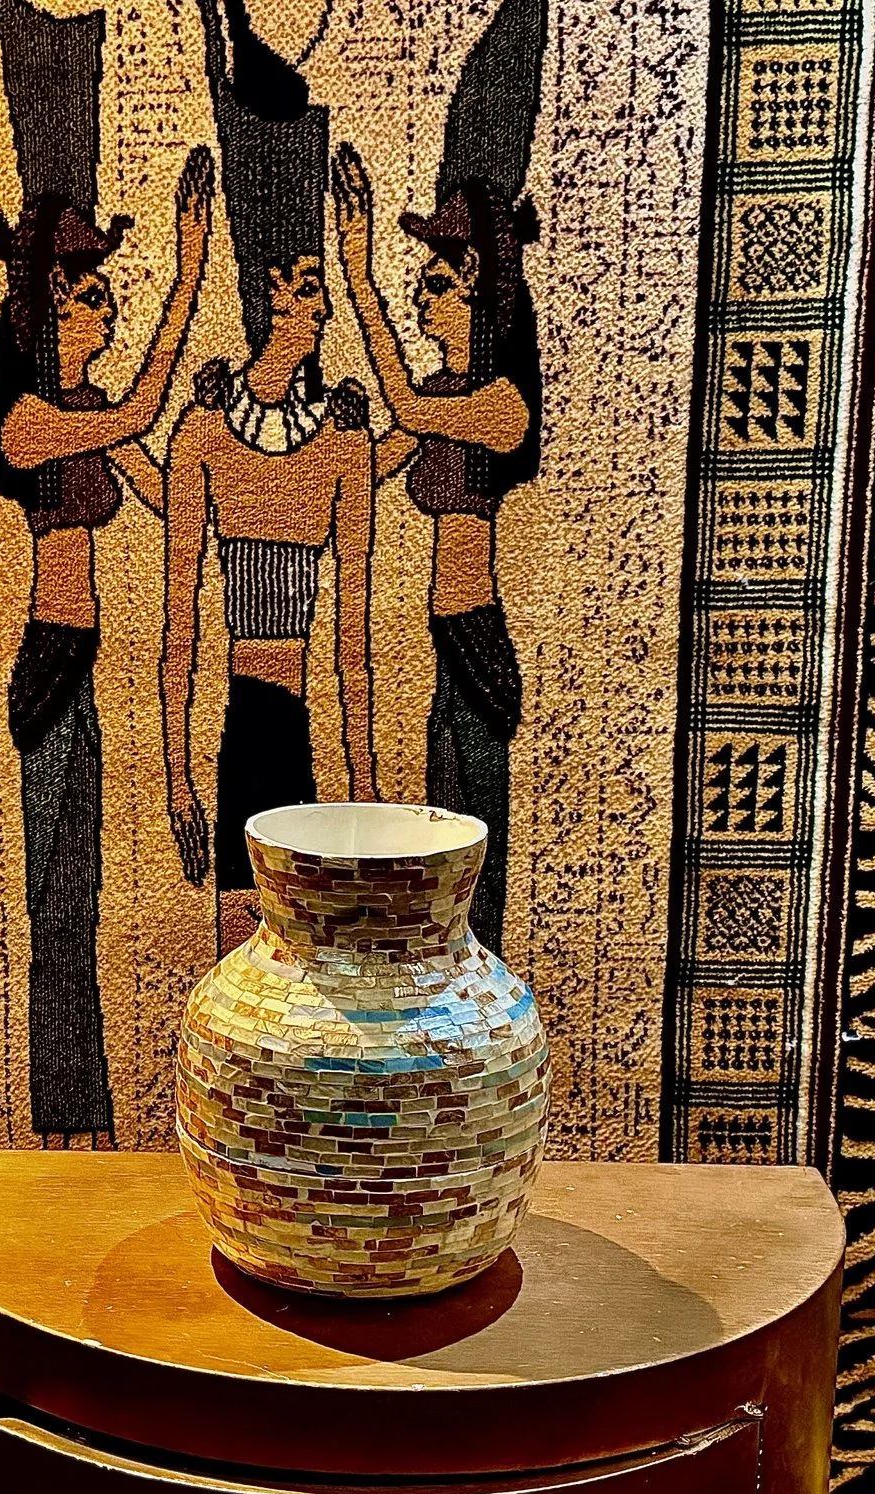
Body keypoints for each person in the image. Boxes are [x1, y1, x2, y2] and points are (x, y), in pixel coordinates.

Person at [0, 149, 213, 1144]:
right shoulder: (30, 422)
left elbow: (169, 488)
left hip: (79, 668)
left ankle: (80, 1110)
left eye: (110, 299)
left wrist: (230, 434)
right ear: (48, 312)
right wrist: (190, 275)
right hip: (45, 665)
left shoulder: (80, 417)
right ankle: (59, 1109)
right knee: (54, 900)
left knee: (79, 892)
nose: (108, 315)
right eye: (92, 299)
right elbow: (135, 414)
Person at [165, 0, 377, 954]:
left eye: (320, 285)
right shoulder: (205, 433)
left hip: (295, 727)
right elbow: (178, 628)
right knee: (244, 966)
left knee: (313, 966)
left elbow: (356, 647)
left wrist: (373, 798)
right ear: (263, 298)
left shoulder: (341, 441)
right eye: (301, 285)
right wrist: (173, 769)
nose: (316, 300)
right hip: (244, 726)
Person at [332, 145, 542, 952]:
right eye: (420, 284)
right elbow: (376, 454)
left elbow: (406, 407)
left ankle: (480, 1012)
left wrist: (361, 277)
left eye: (438, 286)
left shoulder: (498, 407)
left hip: (477, 641)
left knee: (473, 859)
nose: (423, 301)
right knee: (437, 852)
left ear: (481, 290)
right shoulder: (449, 401)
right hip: (444, 644)